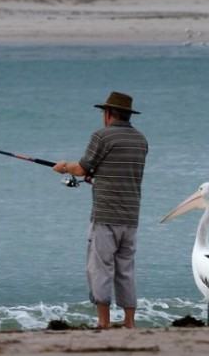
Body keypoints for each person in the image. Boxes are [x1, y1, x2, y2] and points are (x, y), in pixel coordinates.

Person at [53, 91, 148, 329]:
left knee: (100, 268)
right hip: (131, 216)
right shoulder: (141, 140)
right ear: (127, 115)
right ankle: (129, 323)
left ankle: (103, 322)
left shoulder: (101, 136)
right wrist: (96, 176)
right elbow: (121, 172)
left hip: (105, 216)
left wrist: (64, 167)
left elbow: (83, 168)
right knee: (125, 270)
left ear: (108, 114)